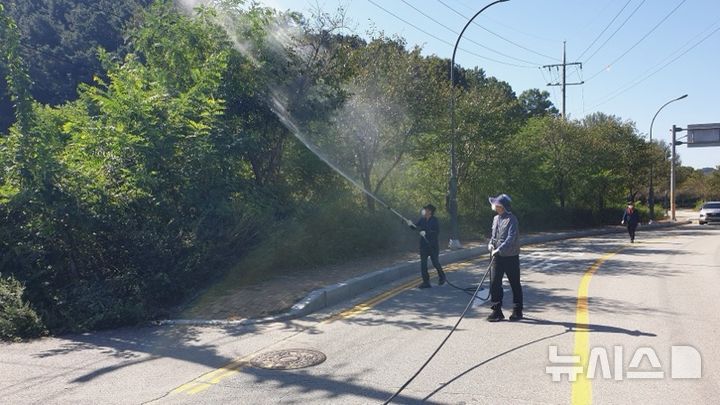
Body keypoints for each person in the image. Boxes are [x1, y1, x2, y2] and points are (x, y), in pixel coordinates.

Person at [487, 194, 523, 322]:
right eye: (495, 205)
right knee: (494, 282)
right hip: (497, 256)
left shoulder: (512, 219)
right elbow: (493, 235)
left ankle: (517, 310)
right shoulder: (495, 219)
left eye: (499, 205)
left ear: (504, 207)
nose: (496, 208)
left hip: (510, 256)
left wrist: (500, 248)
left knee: (514, 283)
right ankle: (497, 310)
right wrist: (491, 244)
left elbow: (511, 238)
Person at [406, 204, 447, 289]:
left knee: (435, 263)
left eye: (425, 209)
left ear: (430, 211)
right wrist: (410, 224)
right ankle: (426, 282)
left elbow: (436, 232)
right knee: (423, 264)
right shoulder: (422, 219)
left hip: (432, 246)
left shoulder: (435, 220)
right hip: (423, 246)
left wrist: (426, 233)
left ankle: (442, 276)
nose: (423, 211)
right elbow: (416, 227)